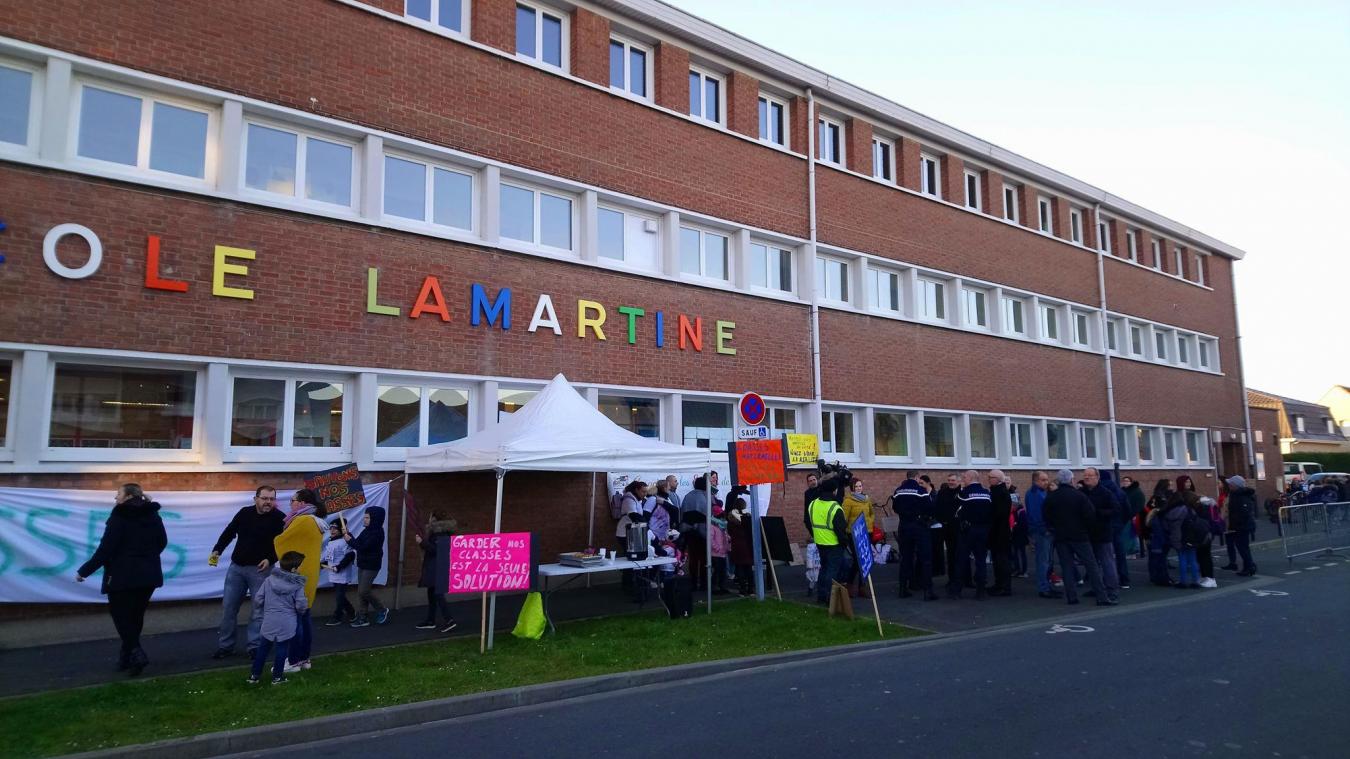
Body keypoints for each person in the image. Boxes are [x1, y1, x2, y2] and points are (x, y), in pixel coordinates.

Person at [75, 483, 168, 677]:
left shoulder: (119, 517)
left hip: (122, 576)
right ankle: (126, 658)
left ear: (128, 496)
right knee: (135, 616)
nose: (115, 497)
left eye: (118, 494)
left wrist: (84, 571)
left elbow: (106, 549)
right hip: (148, 575)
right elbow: (162, 542)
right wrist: (147, 557)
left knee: (121, 616)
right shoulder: (153, 515)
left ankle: (136, 653)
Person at [210, 485, 286, 659]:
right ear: (255, 499)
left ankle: (255, 647)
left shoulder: (279, 518)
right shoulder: (244, 513)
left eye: (271, 499)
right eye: (264, 498)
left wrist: (271, 559)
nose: (268, 502)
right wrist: (217, 550)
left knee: (259, 610)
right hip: (236, 569)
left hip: (262, 571)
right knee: (228, 608)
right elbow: (229, 532)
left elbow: (284, 544)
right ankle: (225, 646)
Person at [274, 488, 328, 672]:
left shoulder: (302, 520)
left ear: (302, 503)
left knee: (294, 619)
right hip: (309, 575)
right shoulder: (315, 520)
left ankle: (293, 661)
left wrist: (276, 539)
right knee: (304, 617)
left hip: (297, 575)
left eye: (293, 500)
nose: (290, 504)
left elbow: (281, 541)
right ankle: (304, 658)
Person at [1044, 469, 1112, 606]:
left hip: (1061, 536)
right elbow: (1090, 515)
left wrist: (1054, 529)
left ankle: (1071, 597)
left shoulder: (1051, 497)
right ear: (1071, 480)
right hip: (1080, 536)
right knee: (1091, 565)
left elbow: (1046, 516)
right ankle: (1101, 596)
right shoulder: (1079, 496)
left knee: (1067, 567)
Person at [249, 551, 308, 685]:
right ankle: (277, 677)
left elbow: (258, 599)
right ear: (294, 569)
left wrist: (263, 608)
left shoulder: (269, 580)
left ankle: (254, 675)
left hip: (269, 619)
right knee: (282, 649)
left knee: (263, 648)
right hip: (287, 621)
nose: (302, 567)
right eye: (301, 565)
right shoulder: (297, 585)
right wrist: (301, 612)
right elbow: (301, 604)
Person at [948, 470, 992, 600]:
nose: (963, 479)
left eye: (965, 477)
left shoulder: (964, 493)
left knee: (961, 559)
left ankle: (956, 590)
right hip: (983, 530)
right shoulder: (986, 493)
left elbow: (956, 507)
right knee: (981, 561)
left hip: (967, 531)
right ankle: (981, 591)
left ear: (971, 478)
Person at [343, 506, 390, 627]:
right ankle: (363, 617)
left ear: (375, 519)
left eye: (367, 517)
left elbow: (363, 547)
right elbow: (357, 542)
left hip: (371, 565)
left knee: (364, 591)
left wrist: (349, 540)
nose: (364, 519)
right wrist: (348, 534)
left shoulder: (377, 533)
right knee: (361, 592)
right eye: (364, 517)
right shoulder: (366, 531)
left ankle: (382, 609)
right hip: (363, 563)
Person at [893, 471, 937, 600]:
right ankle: (928, 591)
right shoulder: (921, 490)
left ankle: (903, 589)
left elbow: (895, 508)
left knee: (905, 558)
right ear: (917, 478)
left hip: (904, 526)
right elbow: (929, 508)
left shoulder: (898, 491)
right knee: (925, 559)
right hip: (919, 526)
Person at [1080, 468, 1121, 603]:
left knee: (1107, 562)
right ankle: (1097, 587)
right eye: (1085, 475)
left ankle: (1112, 590)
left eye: (1090, 475)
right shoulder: (1081, 493)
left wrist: (1098, 513)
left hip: (1103, 533)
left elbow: (1116, 509)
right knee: (1092, 564)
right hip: (1087, 534)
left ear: (1097, 477)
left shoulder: (1106, 493)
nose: (1087, 478)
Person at [807, 476, 850, 604]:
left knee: (824, 569)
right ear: (834, 491)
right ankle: (829, 600)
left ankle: (821, 596)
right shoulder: (835, 508)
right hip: (834, 544)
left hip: (820, 542)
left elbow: (809, 522)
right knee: (832, 572)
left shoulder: (813, 504)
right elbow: (840, 530)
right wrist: (845, 542)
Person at [415, 511, 459, 632]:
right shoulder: (442, 533)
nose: (429, 519)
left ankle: (449, 620)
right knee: (432, 593)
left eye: (430, 517)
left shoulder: (440, 534)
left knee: (437, 594)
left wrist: (422, 543)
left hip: (436, 567)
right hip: (436, 566)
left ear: (434, 519)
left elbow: (435, 550)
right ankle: (431, 620)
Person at [1025, 471, 1058, 599]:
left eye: (1046, 479)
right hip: (1042, 531)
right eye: (1043, 480)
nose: (1046, 482)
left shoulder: (1042, 492)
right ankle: (1043, 588)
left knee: (1047, 560)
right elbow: (1036, 515)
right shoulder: (1034, 493)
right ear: (1035, 481)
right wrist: (1045, 529)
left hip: (1045, 530)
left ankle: (1046, 585)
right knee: (1043, 560)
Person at [840, 478, 874, 597]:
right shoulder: (848, 501)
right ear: (852, 488)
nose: (859, 488)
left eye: (860, 486)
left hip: (867, 532)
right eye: (856, 486)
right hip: (854, 534)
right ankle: (849, 584)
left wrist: (870, 522)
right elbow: (844, 518)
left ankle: (862, 586)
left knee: (865, 560)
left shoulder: (867, 499)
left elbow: (871, 513)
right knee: (857, 560)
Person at [320, 522, 356, 625]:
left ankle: (337, 616)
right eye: (331, 528)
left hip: (342, 573)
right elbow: (330, 557)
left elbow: (350, 555)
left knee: (339, 596)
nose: (332, 530)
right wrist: (322, 564)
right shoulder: (331, 542)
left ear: (340, 530)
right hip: (333, 573)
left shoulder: (345, 541)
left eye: (335, 528)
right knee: (340, 596)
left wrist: (339, 567)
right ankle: (352, 613)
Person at [1165, 491, 1202, 589]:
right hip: (1190, 537)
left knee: (1182, 559)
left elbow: (1168, 525)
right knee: (1193, 559)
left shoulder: (1172, 511)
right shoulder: (1190, 510)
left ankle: (1183, 581)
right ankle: (1195, 581)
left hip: (1177, 537)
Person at [1223, 475, 1258, 576]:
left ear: (1235, 485)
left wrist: (1235, 524)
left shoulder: (1239, 496)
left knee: (1242, 547)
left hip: (1242, 526)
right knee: (1243, 547)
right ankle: (1247, 567)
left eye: (1231, 483)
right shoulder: (1238, 494)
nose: (1229, 485)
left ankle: (1250, 566)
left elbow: (1242, 513)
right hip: (1242, 525)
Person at [986, 470, 1013, 596]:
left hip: (1000, 532)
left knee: (1002, 560)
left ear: (997, 479)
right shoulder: (997, 492)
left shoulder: (1000, 493)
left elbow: (999, 514)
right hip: (997, 531)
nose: (988, 479)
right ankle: (999, 584)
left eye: (990, 477)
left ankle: (1004, 586)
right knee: (997, 560)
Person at [934, 473, 962, 584]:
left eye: (953, 480)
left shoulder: (962, 493)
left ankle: (964, 579)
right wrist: (942, 521)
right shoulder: (942, 492)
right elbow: (937, 508)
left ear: (958, 481)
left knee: (960, 554)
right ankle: (952, 579)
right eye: (949, 480)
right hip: (946, 528)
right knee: (950, 554)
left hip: (959, 528)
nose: (950, 482)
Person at [726, 491, 754, 597]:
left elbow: (729, 531)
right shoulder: (747, 518)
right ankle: (751, 589)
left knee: (739, 568)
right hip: (747, 544)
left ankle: (742, 590)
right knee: (748, 568)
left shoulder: (731, 519)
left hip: (736, 545)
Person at [1121, 475, 1146, 559]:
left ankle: (1136, 551)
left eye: (1127, 481)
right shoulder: (1122, 491)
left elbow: (1140, 504)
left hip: (1134, 516)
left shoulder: (1136, 492)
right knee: (1128, 534)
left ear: (1131, 482)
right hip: (1125, 516)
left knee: (1134, 534)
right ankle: (1129, 551)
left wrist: (1134, 514)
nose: (1125, 483)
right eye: (1124, 481)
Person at [1011, 497, 1029, 578]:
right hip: (1015, 536)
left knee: (1022, 554)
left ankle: (1024, 571)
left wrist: (1015, 526)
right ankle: (1017, 569)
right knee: (1015, 554)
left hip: (1020, 536)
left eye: (1012, 504)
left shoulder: (1021, 512)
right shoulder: (1015, 511)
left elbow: (1023, 525)